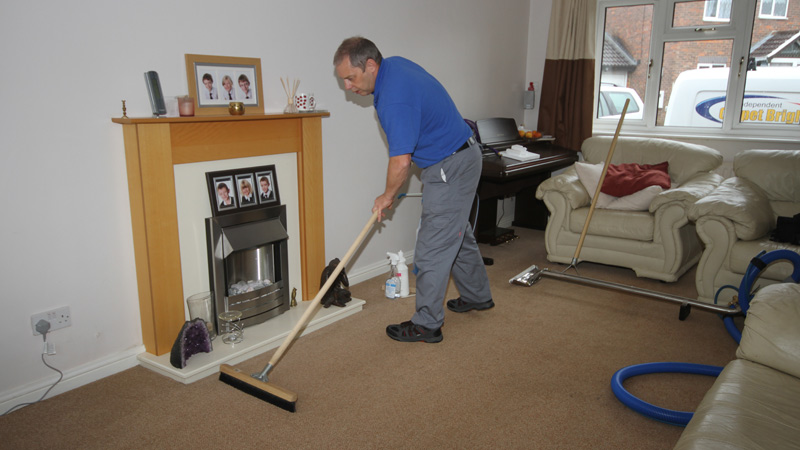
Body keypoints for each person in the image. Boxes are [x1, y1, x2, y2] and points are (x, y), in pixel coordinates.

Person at [333, 37, 493, 344]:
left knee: (433, 245)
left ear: (370, 65)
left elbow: (401, 162)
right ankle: (477, 295)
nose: (348, 87)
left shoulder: (393, 97)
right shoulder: (393, 66)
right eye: (343, 81)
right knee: (455, 232)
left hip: (450, 165)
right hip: (461, 155)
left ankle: (426, 324)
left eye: (350, 78)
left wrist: (387, 195)